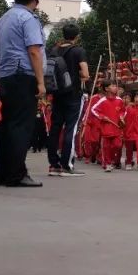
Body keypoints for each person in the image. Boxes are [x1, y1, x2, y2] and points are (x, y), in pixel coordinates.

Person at [0, 0, 47, 187]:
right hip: (23, 74)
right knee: (21, 126)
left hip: (6, 75)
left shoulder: (3, 19)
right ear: (35, 0)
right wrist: (41, 82)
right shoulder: (28, 18)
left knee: (8, 124)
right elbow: (34, 50)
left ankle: (4, 173)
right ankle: (16, 174)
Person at [46, 23, 89, 177]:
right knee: (71, 128)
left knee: (55, 128)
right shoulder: (78, 51)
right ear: (77, 36)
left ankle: (53, 165)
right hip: (73, 94)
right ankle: (67, 165)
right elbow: (85, 74)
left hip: (57, 94)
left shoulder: (54, 50)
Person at [91, 81, 125, 172]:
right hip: (106, 128)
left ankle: (110, 160)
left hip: (116, 127)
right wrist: (102, 117)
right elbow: (93, 109)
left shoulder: (119, 100)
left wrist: (121, 117)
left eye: (115, 86)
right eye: (113, 86)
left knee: (117, 145)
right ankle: (107, 164)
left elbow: (123, 110)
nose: (115, 87)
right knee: (106, 147)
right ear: (106, 89)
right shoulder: (102, 101)